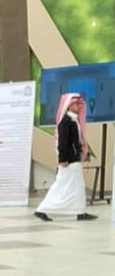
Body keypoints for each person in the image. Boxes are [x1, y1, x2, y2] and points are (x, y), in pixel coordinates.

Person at [35, 93, 96, 222]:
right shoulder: (65, 122)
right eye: (76, 104)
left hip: (74, 158)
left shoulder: (74, 120)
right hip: (69, 160)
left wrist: (83, 153)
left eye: (80, 104)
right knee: (62, 185)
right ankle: (42, 209)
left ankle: (80, 212)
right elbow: (62, 143)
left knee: (77, 186)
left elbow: (76, 141)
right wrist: (62, 159)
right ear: (69, 105)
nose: (79, 106)